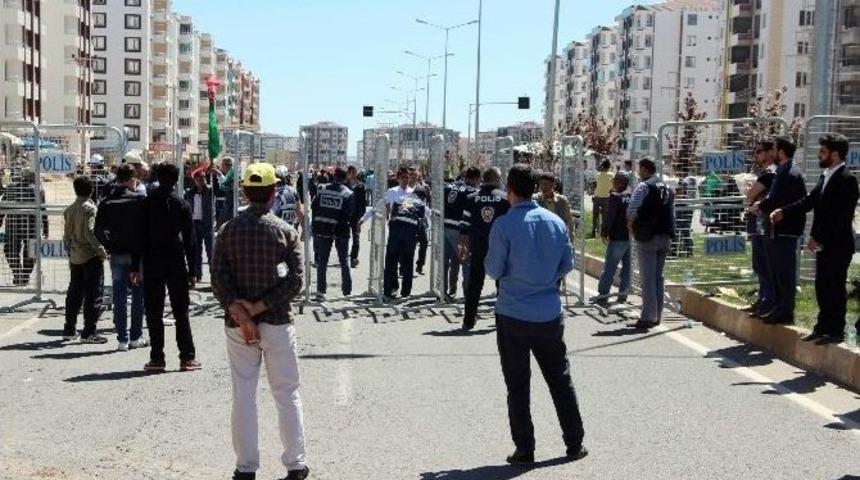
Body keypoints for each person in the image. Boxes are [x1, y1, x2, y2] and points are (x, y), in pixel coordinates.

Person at [210, 162, 309, 480]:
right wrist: (259, 306)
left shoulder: (227, 230)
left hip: (238, 325)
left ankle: (246, 467)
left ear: (243, 191)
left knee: (243, 394)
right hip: (277, 321)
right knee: (286, 393)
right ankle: (295, 464)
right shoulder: (285, 231)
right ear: (272, 193)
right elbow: (295, 282)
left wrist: (239, 309)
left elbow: (219, 279)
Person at [485, 164, 588, 467]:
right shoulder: (555, 221)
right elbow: (566, 264)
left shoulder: (504, 225)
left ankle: (525, 448)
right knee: (560, 379)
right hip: (548, 313)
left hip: (512, 314)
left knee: (518, 384)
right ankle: (574, 442)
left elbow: (493, 269)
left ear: (510, 189)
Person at [772, 134, 859, 344]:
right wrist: (784, 211)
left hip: (838, 244)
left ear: (835, 154)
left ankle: (835, 330)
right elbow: (809, 201)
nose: (819, 156)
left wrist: (817, 238)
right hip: (824, 244)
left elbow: (840, 216)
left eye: (823, 152)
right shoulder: (825, 176)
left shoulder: (847, 179)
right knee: (822, 286)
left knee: (834, 287)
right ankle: (822, 327)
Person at [132, 163, 201, 372]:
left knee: (154, 312)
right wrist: (194, 270)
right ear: (176, 179)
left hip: (152, 262)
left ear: (157, 177)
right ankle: (187, 357)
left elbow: (138, 238)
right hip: (175, 261)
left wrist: (135, 266)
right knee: (181, 311)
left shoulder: (145, 204)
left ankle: (157, 358)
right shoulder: (181, 204)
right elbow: (190, 240)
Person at [753, 136, 806, 325]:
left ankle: (784, 310)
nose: (771, 153)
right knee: (775, 271)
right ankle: (777, 307)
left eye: (773, 149)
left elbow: (777, 199)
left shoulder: (790, 172)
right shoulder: (783, 170)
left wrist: (761, 205)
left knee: (784, 272)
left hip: (785, 230)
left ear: (781, 152)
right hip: (776, 229)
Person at [94, 163, 148, 351]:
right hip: (136, 254)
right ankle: (136, 336)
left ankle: (122, 339)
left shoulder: (107, 202)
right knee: (138, 295)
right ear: (133, 179)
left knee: (119, 296)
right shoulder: (140, 200)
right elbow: (144, 230)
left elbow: (98, 230)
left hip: (116, 253)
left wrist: (109, 245)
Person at [627, 158, 675, 330]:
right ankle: (657, 316)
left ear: (644, 169)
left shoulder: (643, 187)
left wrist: (632, 230)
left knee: (647, 279)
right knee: (658, 278)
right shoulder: (668, 188)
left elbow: (632, 211)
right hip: (665, 236)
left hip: (647, 237)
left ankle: (647, 317)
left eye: (640, 169)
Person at [460, 167, 510, 331]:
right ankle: (501, 319)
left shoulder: (471, 198)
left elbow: (465, 225)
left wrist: (464, 246)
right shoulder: (504, 198)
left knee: (474, 285)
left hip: (478, 247)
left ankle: (468, 320)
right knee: (501, 285)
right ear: (496, 179)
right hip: (499, 248)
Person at [62, 176, 109, 343]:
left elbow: (66, 236)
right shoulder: (90, 208)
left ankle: (69, 328)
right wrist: (101, 250)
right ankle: (89, 332)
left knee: (74, 293)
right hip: (90, 255)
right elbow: (90, 232)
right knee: (93, 294)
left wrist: (70, 250)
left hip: (75, 255)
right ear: (91, 190)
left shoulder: (70, 209)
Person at [742, 139, 777, 318]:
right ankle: (763, 298)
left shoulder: (770, 174)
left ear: (771, 152)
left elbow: (750, 196)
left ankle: (768, 301)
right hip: (759, 224)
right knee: (760, 264)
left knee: (764, 264)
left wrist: (750, 193)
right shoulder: (766, 174)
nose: (757, 155)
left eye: (760, 151)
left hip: (763, 224)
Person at [310, 166, 355, 302]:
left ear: (334, 176)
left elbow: (314, 206)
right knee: (344, 261)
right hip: (340, 231)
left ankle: (320, 291)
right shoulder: (348, 193)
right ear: (345, 178)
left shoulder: (322, 189)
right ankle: (347, 292)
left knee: (322, 262)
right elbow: (349, 214)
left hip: (323, 229)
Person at [383, 167, 428, 301]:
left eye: (407, 177)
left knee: (399, 262)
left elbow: (422, 210)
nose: (406, 179)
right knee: (399, 262)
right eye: (403, 177)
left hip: (402, 232)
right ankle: (399, 289)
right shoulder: (393, 192)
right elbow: (386, 206)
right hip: (401, 232)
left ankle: (396, 291)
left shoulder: (406, 196)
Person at [0, 168, 47, 286]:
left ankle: (18, 273)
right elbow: (43, 211)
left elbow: (2, 207)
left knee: (10, 249)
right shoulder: (38, 190)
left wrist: (0, 221)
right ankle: (25, 275)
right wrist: (46, 228)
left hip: (13, 224)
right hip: (31, 225)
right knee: (31, 251)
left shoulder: (11, 187)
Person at [443, 167, 480, 299]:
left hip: (444, 227)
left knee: (446, 262)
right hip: (461, 231)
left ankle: (443, 292)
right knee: (466, 262)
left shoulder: (448, 187)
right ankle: (467, 293)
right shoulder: (472, 191)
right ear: (475, 178)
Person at [596, 173, 632, 305]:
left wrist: (604, 231)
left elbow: (610, 216)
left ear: (619, 182)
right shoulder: (632, 196)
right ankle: (623, 295)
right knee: (627, 268)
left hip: (617, 237)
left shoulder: (615, 197)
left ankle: (603, 294)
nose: (613, 183)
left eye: (614, 181)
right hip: (631, 237)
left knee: (610, 267)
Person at [184, 170, 215, 283]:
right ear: (195, 180)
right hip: (195, 223)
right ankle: (198, 275)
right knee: (197, 251)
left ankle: (214, 276)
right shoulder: (190, 192)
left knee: (210, 250)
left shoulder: (210, 190)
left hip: (207, 223)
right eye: (199, 179)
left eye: (203, 178)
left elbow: (217, 188)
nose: (202, 181)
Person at [533, 171, 575, 242]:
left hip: (558, 239)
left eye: (546, 184)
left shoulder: (562, 201)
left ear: (554, 185)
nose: (543, 187)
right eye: (541, 184)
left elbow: (569, 221)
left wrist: (570, 240)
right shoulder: (535, 200)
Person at [410, 168, 431, 275]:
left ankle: (420, 265)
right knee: (409, 245)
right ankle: (404, 266)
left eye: (415, 174)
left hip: (421, 220)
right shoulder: (406, 188)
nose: (413, 176)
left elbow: (426, 203)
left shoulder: (423, 188)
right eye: (411, 174)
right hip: (409, 220)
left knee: (424, 242)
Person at [346, 165, 367, 268]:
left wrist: (361, 217)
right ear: (348, 174)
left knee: (356, 237)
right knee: (344, 237)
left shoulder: (361, 186)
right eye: (352, 172)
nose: (354, 174)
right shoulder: (344, 185)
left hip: (356, 216)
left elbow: (363, 203)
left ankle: (353, 257)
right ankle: (345, 256)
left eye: (355, 172)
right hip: (345, 216)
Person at [591, 159, 613, 238]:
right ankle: (603, 232)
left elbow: (595, 184)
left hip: (597, 197)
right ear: (609, 166)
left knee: (595, 215)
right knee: (605, 216)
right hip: (607, 198)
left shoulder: (597, 175)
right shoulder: (612, 175)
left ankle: (593, 231)